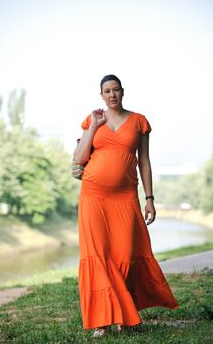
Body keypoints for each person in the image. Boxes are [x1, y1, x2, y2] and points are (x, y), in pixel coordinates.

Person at [73, 75, 178, 337]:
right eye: (107, 91)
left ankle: (123, 312)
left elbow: (144, 162)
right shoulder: (93, 120)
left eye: (116, 90)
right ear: (101, 95)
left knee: (124, 254)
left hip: (125, 196)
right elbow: (80, 156)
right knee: (98, 256)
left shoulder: (139, 121)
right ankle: (102, 322)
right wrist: (94, 126)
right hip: (93, 195)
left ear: (123, 92)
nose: (112, 95)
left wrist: (150, 198)